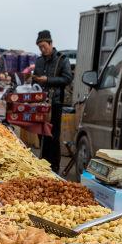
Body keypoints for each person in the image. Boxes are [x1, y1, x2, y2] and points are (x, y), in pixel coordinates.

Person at [33, 30, 73, 173]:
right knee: (41, 133)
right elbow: (35, 79)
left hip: (55, 103)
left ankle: (54, 166)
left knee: (53, 135)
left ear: (50, 43)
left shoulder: (62, 59)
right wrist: (33, 79)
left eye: (44, 46)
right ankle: (42, 164)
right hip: (40, 103)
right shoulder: (39, 61)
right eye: (40, 47)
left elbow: (68, 78)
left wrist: (48, 80)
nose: (42, 50)